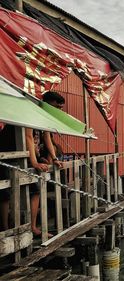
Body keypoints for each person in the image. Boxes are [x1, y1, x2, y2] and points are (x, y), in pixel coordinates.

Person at [25, 91, 65, 237]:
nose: (59, 110)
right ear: (46, 102)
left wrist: (54, 158)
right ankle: (32, 228)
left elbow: (46, 136)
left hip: (35, 156)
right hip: (24, 156)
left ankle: (33, 226)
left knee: (37, 190)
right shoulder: (30, 111)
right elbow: (28, 137)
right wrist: (34, 162)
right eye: (57, 106)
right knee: (32, 191)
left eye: (61, 108)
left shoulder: (45, 116)